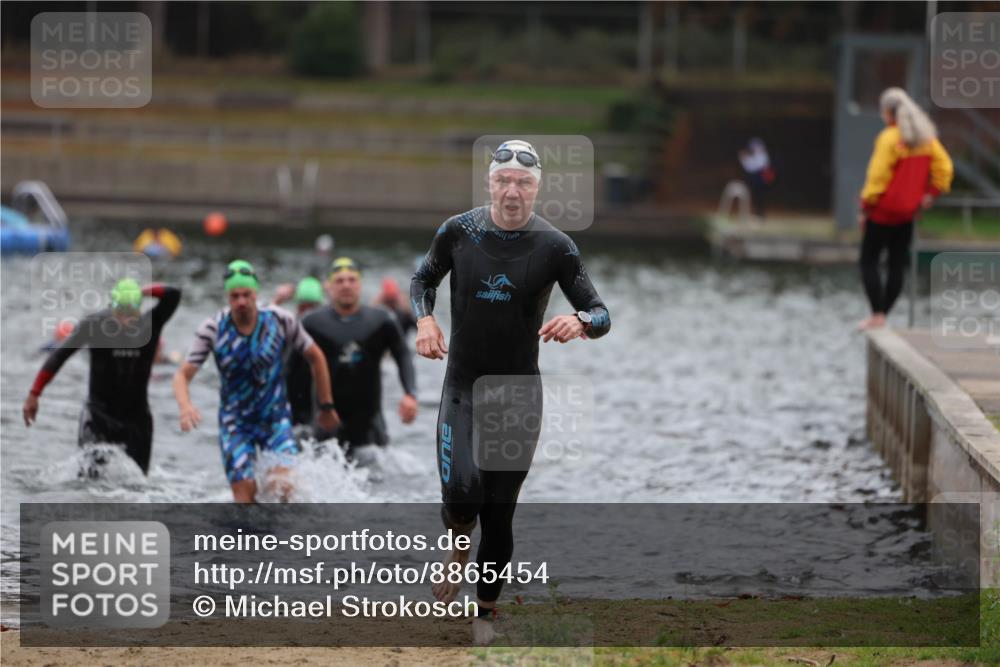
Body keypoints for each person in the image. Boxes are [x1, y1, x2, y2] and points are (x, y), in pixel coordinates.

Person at [410, 139, 610, 645]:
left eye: (523, 182)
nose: (512, 191)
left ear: (537, 188)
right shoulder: (459, 231)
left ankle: (485, 618)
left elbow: (602, 313)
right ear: (490, 183)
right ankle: (457, 547)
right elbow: (421, 279)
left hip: (518, 395)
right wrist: (425, 320)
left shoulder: (556, 246)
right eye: (503, 181)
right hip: (463, 386)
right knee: (461, 496)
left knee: (499, 515)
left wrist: (580, 320)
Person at [172, 260, 339, 503]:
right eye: (234, 296)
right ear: (228, 297)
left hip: (275, 420)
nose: (241, 301)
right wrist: (185, 405)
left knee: (282, 488)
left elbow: (316, 357)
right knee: (244, 498)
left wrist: (325, 406)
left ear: (256, 293)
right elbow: (182, 374)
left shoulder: (279, 320)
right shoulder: (213, 328)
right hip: (235, 425)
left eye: (246, 294)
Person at [23, 279, 181, 475]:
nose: (125, 321)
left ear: (139, 311)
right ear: (112, 309)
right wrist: (34, 394)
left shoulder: (151, 324)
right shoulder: (94, 325)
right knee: (88, 480)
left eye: (131, 314)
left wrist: (141, 291)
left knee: (138, 486)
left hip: (137, 419)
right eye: (120, 313)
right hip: (98, 416)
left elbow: (174, 294)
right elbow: (59, 356)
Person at [299, 257, 418, 459]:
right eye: (339, 280)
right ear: (329, 287)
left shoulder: (381, 320)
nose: (346, 285)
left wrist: (410, 393)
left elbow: (403, 354)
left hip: (369, 421)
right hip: (326, 418)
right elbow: (291, 368)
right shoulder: (312, 323)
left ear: (360, 284)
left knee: (380, 481)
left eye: (351, 280)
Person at [857, 87, 953, 330]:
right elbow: (945, 169)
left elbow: (877, 177)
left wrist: (865, 207)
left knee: (868, 260)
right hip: (908, 213)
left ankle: (877, 313)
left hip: (883, 212)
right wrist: (930, 194)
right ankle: (883, 314)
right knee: (896, 264)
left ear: (889, 112)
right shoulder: (927, 140)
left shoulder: (889, 138)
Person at [272, 277, 326, 428]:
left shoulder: (326, 330)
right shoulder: (287, 328)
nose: (307, 314)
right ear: (297, 307)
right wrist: (276, 301)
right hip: (291, 401)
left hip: (315, 403)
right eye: (304, 308)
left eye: (312, 308)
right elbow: (262, 327)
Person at [738, 138, 774, 219]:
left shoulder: (762, 155)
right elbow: (748, 168)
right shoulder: (750, 156)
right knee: (754, 196)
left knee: (760, 196)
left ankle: (760, 214)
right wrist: (743, 158)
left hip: (761, 178)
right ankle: (755, 213)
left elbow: (760, 166)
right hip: (754, 178)